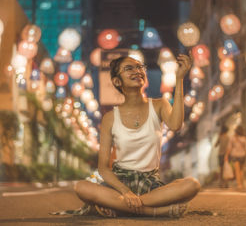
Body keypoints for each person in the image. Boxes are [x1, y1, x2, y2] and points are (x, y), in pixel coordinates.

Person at [74, 54, 200, 218]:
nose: (137, 71)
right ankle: (155, 211)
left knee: (192, 185)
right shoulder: (110, 118)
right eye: (129, 68)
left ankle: (118, 207)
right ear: (117, 82)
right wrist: (125, 192)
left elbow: (176, 125)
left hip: (150, 183)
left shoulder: (159, 105)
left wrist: (179, 79)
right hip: (120, 183)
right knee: (82, 187)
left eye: (139, 67)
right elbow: (103, 168)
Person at [225, 125, 246, 189]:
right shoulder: (244, 138)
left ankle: (239, 184)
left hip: (235, 155)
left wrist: (226, 155)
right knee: (241, 170)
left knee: (237, 170)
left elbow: (229, 148)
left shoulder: (232, 138)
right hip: (243, 155)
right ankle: (242, 183)